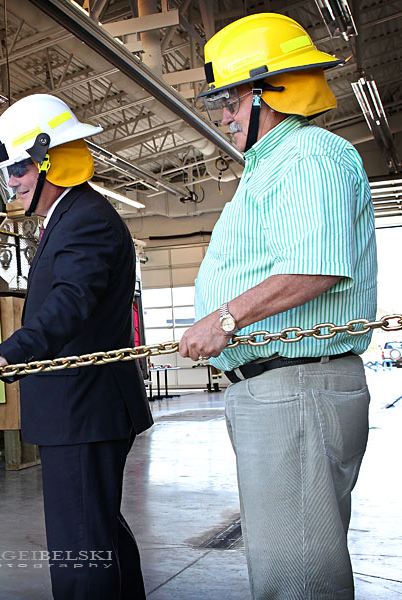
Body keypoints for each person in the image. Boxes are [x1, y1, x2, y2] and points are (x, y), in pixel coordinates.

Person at [179, 13, 377, 600]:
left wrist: (224, 320)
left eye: (234, 100)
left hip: (296, 389)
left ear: (272, 93)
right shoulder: (274, 167)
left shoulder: (309, 156)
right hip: (279, 388)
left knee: (296, 581)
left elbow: (314, 266)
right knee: (284, 564)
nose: (225, 115)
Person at [0, 94, 153, 600]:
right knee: (99, 531)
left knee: (80, 544)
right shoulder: (69, 217)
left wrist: (6, 353)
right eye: (11, 172)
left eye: (21, 169)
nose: (15, 182)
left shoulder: (84, 218)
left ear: (49, 160)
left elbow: (69, 304)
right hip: (83, 407)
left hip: (84, 408)